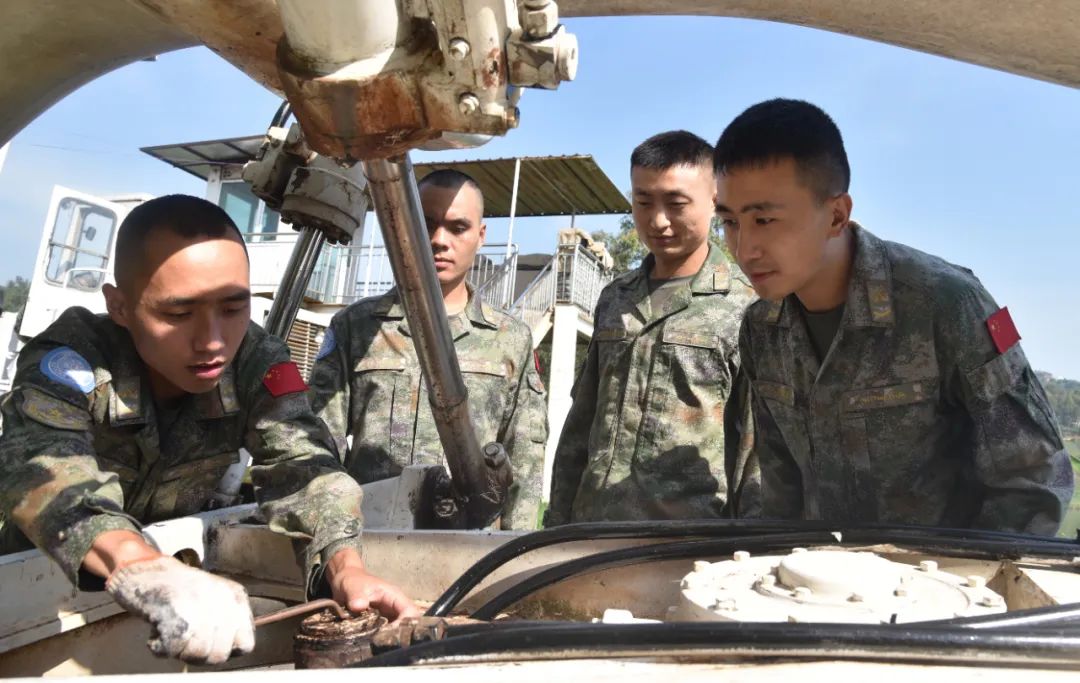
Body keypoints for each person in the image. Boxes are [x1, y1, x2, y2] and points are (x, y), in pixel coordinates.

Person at [0, 195, 419, 665]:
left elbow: (302, 463)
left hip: (183, 599)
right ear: (119, 306)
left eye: (234, 308)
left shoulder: (255, 360)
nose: (213, 341)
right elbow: (42, 468)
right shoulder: (72, 358)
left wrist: (345, 566)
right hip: (33, 602)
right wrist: (140, 564)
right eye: (178, 314)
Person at [714, 98, 1074, 534]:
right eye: (730, 222)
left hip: (939, 573)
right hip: (813, 573)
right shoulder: (762, 328)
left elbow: (1033, 481)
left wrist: (968, 571)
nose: (744, 249)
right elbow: (781, 492)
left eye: (765, 220)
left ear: (836, 215)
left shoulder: (945, 303)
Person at [309, 170, 547, 530]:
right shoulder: (357, 327)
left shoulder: (511, 338)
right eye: (426, 225)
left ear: (481, 236)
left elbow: (524, 458)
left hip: (467, 545)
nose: (438, 240)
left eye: (458, 227)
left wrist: (516, 548)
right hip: (370, 536)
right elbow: (319, 443)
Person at [546, 130, 759, 525]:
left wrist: (748, 543)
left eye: (676, 204)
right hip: (591, 529)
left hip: (687, 540)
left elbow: (754, 451)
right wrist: (557, 523)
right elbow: (581, 423)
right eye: (643, 202)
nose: (657, 221)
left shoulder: (746, 306)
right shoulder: (615, 298)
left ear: (715, 199)